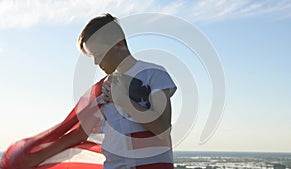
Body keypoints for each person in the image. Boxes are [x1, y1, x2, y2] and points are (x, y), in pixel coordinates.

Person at [22, 13, 177, 169]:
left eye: (99, 54)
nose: (96, 62)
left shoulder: (154, 73)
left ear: (119, 44)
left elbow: (162, 129)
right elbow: (78, 135)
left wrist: (123, 100)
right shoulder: (101, 89)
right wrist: (37, 157)